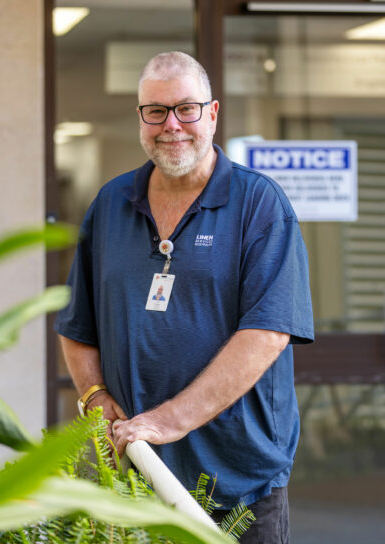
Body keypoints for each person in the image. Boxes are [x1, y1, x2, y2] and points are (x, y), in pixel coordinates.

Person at [55, 51, 314, 543]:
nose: (171, 124)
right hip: (135, 478)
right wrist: (94, 395)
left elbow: (267, 333)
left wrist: (167, 420)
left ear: (212, 114)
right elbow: (77, 325)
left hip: (238, 486)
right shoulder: (111, 205)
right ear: (140, 119)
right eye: (155, 111)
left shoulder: (259, 204)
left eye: (186, 109)